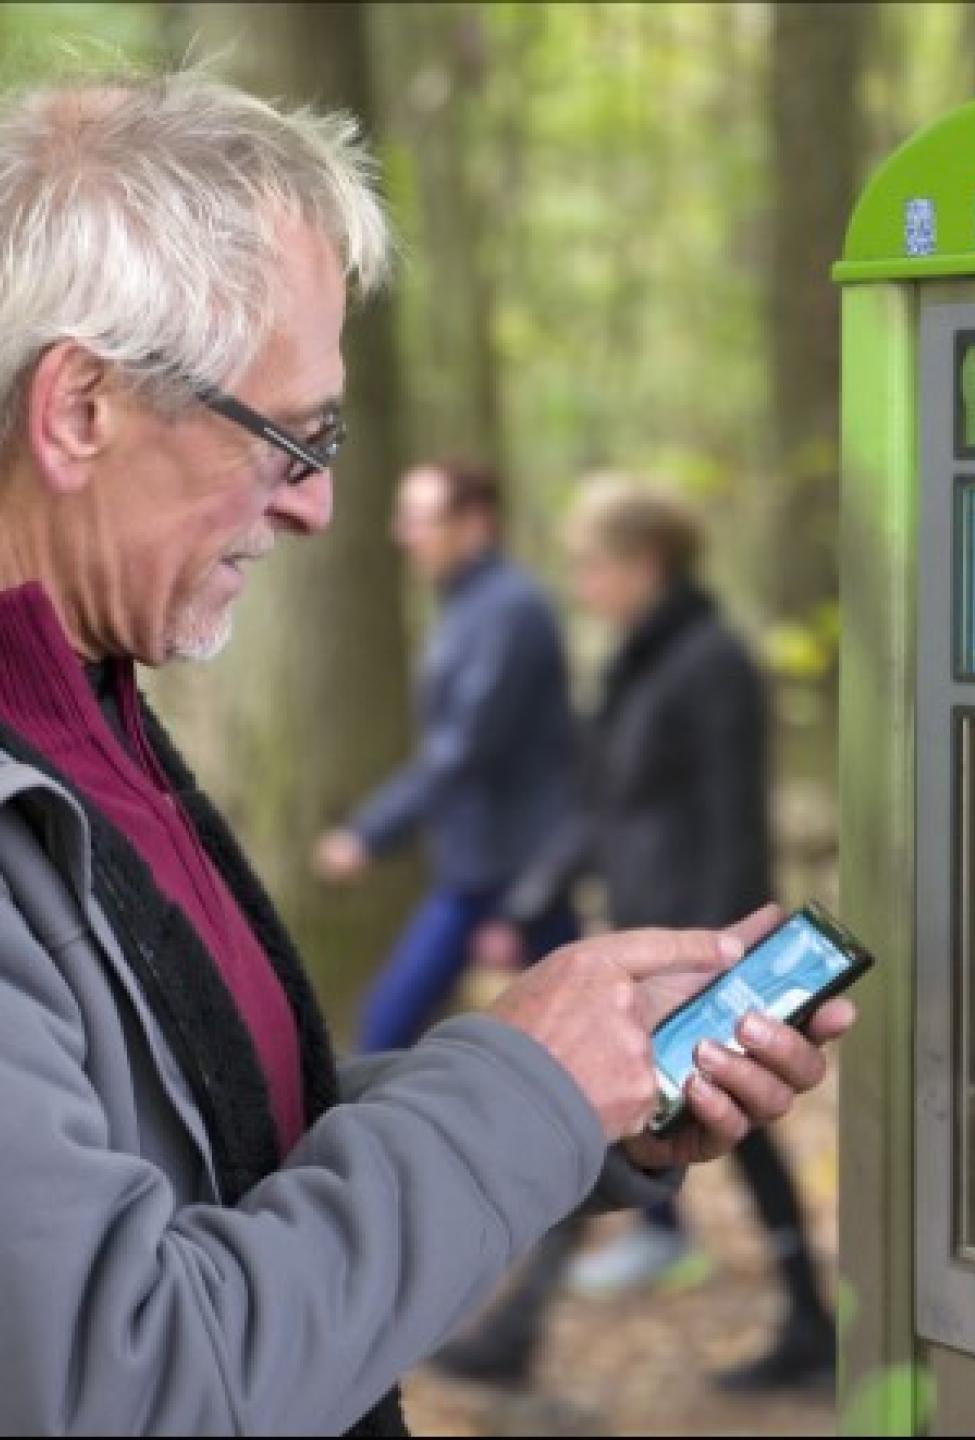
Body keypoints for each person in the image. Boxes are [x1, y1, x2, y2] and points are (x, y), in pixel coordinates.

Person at [0, 71, 854, 1437]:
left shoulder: (91, 714)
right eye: (292, 440)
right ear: (82, 411)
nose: (320, 508)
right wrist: (522, 1085)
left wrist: (575, 1103)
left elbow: (219, 1142)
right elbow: (133, 1379)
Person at [436, 477, 835, 1391]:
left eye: (593, 564)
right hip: (650, 941)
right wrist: (529, 894)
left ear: (646, 563)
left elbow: (735, 825)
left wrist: (721, 969)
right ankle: (807, 1317)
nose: (580, 584)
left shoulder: (712, 662)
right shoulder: (631, 665)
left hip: (697, 953)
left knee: (606, 1122)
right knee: (716, 1137)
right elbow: (602, 807)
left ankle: (517, 1335)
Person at [311, 459, 580, 1052]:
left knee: (388, 1026)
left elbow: (465, 750)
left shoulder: (508, 612)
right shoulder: (469, 607)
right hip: (479, 864)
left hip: (511, 871)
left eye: (421, 519)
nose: (404, 534)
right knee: (574, 1042)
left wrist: (369, 833)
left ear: (475, 523)